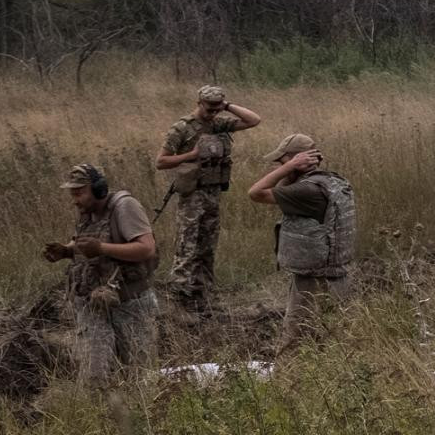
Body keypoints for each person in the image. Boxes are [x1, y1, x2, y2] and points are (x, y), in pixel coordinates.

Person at [43, 165, 158, 386]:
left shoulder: (125, 207)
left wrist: (102, 248)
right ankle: (101, 414)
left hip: (129, 301)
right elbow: (86, 243)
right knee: (94, 374)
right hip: (92, 303)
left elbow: (146, 248)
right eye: (72, 194)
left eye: (79, 193)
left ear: (98, 189)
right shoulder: (88, 213)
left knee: (140, 374)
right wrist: (67, 251)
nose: (75, 200)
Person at [248, 134, 356, 356]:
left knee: (294, 343)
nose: (280, 165)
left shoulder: (306, 191)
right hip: (337, 276)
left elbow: (255, 193)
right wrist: (292, 168)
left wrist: (289, 167)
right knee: (334, 340)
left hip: (313, 281)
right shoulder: (332, 182)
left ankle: (285, 384)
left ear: (295, 160)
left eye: (282, 161)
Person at [155, 85, 261, 309]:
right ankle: (180, 296)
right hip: (192, 194)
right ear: (199, 103)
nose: (213, 113)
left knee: (207, 246)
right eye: (209, 108)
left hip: (213, 193)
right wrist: (191, 155)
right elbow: (161, 162)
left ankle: (203, 295)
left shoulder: (218, 123)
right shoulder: (182, 128)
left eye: (217, 108)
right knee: (188, 245)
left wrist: (228, 107)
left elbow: (254, 120)